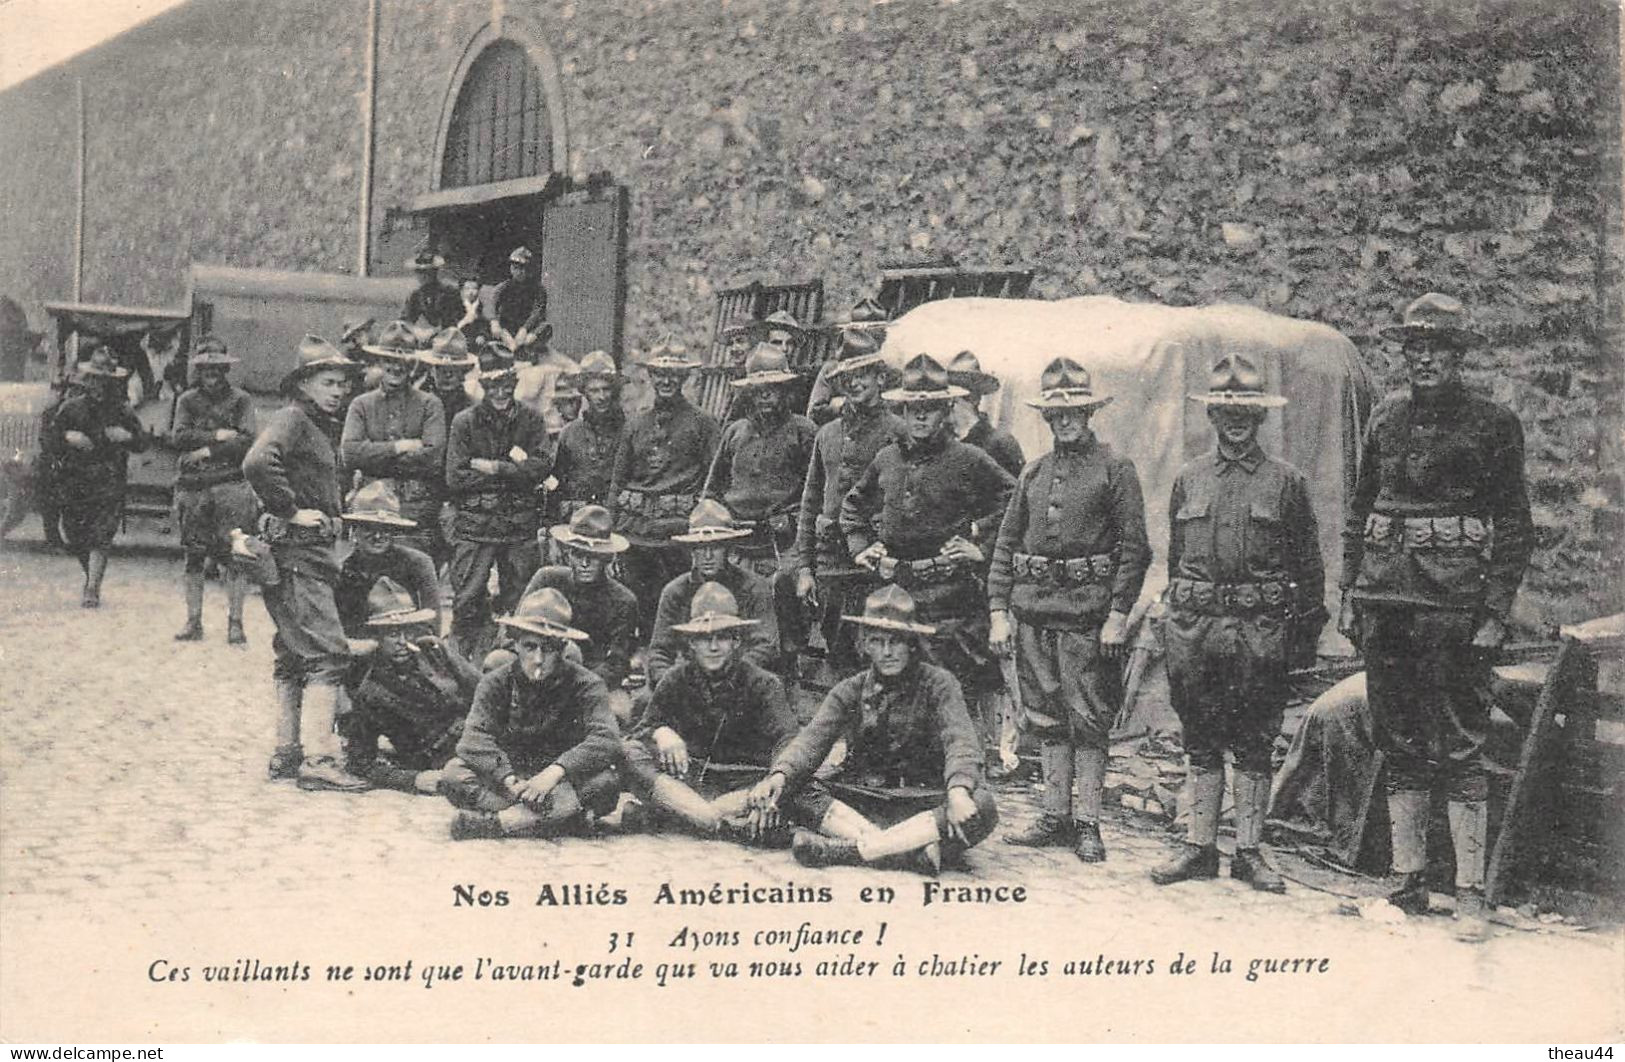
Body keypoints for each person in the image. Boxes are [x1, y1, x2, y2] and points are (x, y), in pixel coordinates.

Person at [1338, 293, 1533, 941]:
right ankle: (1407, 880)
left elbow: (1512, 526)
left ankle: (1471, 893)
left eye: (1437, 350)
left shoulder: (1491, 424)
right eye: (1414, 349)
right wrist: (1349, 594)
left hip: (1453, 608)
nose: (1424, 360)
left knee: (1461, 742)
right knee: (1398, 740)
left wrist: (1494, 611)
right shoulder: (1385, 420)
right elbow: (1357, 511)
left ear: (1457, 357)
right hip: (1384, 604)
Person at [1147, 352, 1326, 894]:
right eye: (1225, 408)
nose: (1235, 418)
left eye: (1246, 408)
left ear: (1261, 415)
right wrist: (1178, 625)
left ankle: (1249, 852)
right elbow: (1178, 558)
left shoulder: (1285, 482)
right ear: (1211, 415)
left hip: (1259, 634)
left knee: (1253, 741)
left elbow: (1309, 569)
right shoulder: (1189, 479)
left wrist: (1299, 644)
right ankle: (1199, 847)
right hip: (1196, 632)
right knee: (1199, 737)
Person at [988, 357, 1150, 862]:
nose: (1065, 419)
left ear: (1089, 412)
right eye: (1056, 413)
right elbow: (1005, 543)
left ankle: (1088, 822)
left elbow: (1134, 549)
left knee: (1088, 719)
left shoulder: (1115, 469)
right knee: (1045, 717)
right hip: (1035, 612)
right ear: (1045, 417)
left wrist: (1119, 614)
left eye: (1075, 410)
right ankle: (1055, 815)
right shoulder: (1033, 473)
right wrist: (998, 608)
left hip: (1088, 618)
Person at [747, 585, 998, 873]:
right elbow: (812, 741)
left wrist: (957, 790)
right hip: (863, 798)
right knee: (793, 789)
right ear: (865, 645)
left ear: (912, 643)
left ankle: (849, 850)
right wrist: (779, 776)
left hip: (923, 799)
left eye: (896, 641)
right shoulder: (850, 690)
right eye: (877, 641)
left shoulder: (940, 684)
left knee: (982, 805)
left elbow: (961, 740)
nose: (887, 652)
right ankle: (904, 850)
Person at [840, 353, 1015, 701]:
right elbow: (852, 506)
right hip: (894, 590)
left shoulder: (968, 458)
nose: (920, 416)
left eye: (931, 407)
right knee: (890, 688)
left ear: (946, 409)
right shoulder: (886, 458)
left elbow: (1015, 500)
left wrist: (980, 540)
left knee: (946, 689)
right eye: (912, 409)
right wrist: (861, 547)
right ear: (902, 412)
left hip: (947, 596)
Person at [242, 335, 368, 791]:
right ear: (304, 384)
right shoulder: (294, 419)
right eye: (329, 382)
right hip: (298, 553)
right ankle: (318, 758)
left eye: (343, 384)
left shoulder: (315, 424)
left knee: (294, 652)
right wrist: (290, 509)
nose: (338, 391)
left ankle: (287, 752)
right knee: (330, 653)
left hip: (307, 553)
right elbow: (257, 462)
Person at [440, 588, 624, 840]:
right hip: (510, 781)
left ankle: (501, 823)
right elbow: (473, 738)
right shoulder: (495, 682)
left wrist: (555, 772)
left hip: (561, 781)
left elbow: (607, 738)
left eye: (548, 649)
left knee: (606, 782)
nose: (538, 659)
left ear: (562, 649)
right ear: (515, 644)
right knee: (453, 773)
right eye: (530, 647)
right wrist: (508, 778)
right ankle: (562, 819)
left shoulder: (587, 684)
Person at [622, 581, 799, 839]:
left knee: (791, 782)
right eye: (704, 638)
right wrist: (661, 732)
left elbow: (789, 738)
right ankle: (712, 820)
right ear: (691, 643)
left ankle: (679, 816)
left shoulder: (764, 684)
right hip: (688, 782)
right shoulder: (675, 679)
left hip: (744, 783)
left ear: (736, 641)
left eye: (723, 637)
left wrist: (772, 780)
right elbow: (640, 733)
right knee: (628, 752)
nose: (713, 647)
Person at [703, 343, 817, 678]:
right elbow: (711, 490)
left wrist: (793, 521)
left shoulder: (804, 432)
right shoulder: (735, 432)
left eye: (773, 389)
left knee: (782, 595)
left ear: (785, 390)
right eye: (758, 390)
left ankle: (785, 675)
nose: (765, 397)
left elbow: (816, 493)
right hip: (737, 541)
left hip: (781, 545)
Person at [792, 329, 901, 674]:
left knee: (878, 652)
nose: (855, 384)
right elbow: (810, 502)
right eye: (848, 378)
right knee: (837, 650)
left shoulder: (898, 430)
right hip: (831, 562)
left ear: (880, 377)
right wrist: (805, 567)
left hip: (875, 561)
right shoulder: (827, 434)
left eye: (863, 375)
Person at [444, 347, 553, 657]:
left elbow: (542, 465)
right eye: (493, 386)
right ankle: (461, 658)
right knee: (467, 599)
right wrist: (517, 473)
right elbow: (455, 477)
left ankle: (516, 658)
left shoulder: (531, 419)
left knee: (521, 599)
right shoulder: (465, 422)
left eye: (507, 384)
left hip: (518, 524)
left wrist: (494, 467)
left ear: (515, 382)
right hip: (475, 525)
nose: (501, 392)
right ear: (483, 386)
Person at [609, 343, 720, 636]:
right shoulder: (635, 424)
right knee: (638, 598)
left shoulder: (703, 424)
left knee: (680, 598)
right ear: (651, 377)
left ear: (684, 378)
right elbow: (618, 480)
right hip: (635, 529)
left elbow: (714, 480)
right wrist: (610, 528)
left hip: (678, 531)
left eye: (674, 374)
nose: (667, 380)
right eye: (660, 374)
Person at [340, 576, 481, 793]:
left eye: (409, 631)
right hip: (445, 762)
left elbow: (483, 690)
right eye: (393, 634)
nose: (403, 642)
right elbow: (360, 763)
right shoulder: (370, 692)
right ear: (377, 638)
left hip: (480, 736)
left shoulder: (434, 652)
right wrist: (413, 779)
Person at [43, 346, 147, 608]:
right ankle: (91, 575)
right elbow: (48, 439)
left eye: (106, 380)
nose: (99, 385)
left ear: (113, 382)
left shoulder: (122, 411)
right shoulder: (70, 408)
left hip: (109, 480)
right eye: (95, 379)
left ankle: (92, 588)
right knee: (76, 535)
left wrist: (128, 437)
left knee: (102, 534)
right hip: (75, 481)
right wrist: (67, 438)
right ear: (87, 380)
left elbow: (142, 441)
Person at [170, 335, 258, 644]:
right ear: (198, 370)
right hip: (193, 488)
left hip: (230, 486)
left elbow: (247, 441)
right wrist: (218, 435)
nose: (212, 374)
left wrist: (207, 451)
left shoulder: (242, 400)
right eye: (206, 368)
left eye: (218, 368)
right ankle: (194, 621)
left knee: (235, 556)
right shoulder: (186, 401)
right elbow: (178, 438)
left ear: (225, 369)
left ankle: (236, 622)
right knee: (193, 556)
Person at [503, 504, 638, 700]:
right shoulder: (547, 579)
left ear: (607, 558)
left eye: (594, 557)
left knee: (619, 710)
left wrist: (576, 685)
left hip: (585, 676)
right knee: (497, 661)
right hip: (534, 663)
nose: (584, 564)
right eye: (577, 554)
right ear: (567, 553)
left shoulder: (623, 600)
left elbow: (617, 663)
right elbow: (512, 632)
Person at [646, 500, 781, 691]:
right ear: (692, 550)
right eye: (700, 547)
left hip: (740, 680)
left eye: (715, 547)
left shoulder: (753, 587)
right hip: (690, 681)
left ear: (728, 548)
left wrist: (728, 677)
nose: (708, 555)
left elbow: (766, 647)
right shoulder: (675, 591)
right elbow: (659, 651)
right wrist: (674, 685)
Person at [342, 320, 448, 561]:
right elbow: (349, 453)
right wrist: (400, 447)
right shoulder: (362, 405)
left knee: (413, 570)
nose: (396, 367)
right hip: (369, 503)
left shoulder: (429, 404)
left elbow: (432, 458)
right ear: (379, 362)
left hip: (415, 506)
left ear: (412, 365)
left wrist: (373, 457)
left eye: (403, 362)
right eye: (389, 360)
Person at [334, 481, 442, 636]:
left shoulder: (417, 563)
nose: (378, 536)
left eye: (385, 530)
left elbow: (431, 622)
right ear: (354, 530)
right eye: (368, 528)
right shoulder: (343, 571)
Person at [415, 328, 478, 566]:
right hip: (422, 499)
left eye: (453, 370)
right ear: (431, 369)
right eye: (440, 368)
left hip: (459, 504)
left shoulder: (475, 411)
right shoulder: (417, 404)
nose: (446, 375)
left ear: (464, 371)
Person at [548, 350, 627, 526]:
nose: (601, 397)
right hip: (579, 521)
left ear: (614, 391)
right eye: (594, 390)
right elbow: (557, 481)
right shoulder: (570, 433)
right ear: (584, 392)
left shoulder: (628, 431)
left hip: (617, 520)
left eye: (606, 389)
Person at [806, 296, 888, 426]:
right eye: (861, 331)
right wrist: (838, 407)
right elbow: (814, 412)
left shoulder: (892, 367)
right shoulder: (833, 369)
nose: (869, 337)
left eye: (876, 332)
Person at [945, 351, 1025, 477]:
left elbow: (1018, 492)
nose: (948, 404)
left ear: (975, 399)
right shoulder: (943, 442)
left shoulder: (1001, 444)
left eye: (955, 399)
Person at [493, 245, 547, 338]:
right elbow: (492, 308)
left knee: (545, 328)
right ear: (511, 269)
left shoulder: (538, 289)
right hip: (505, 330)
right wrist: (496, 324)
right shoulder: (503, 288)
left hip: (527, 329)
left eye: (524, 268)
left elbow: (537, 311)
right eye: (515, 268)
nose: (520, 272)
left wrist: (524, 329)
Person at [402, 249, 463, 330]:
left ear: (435, 272)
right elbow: (407, 319)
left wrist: (434, 331)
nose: (423, 276)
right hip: (432, 335)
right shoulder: (416, 295)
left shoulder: (449, 292)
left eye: (427, 272)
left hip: (453, 333)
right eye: (419, 272)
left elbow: (454, 319)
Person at [455, 277, 490, 347]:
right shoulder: (456, 305)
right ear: (461, 291)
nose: (471, 292)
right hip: (457, 339)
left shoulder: (482, 306)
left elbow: (485, 324)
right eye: (467, 289)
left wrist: (482, 335)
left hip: (476, 341)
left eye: (474, 288)